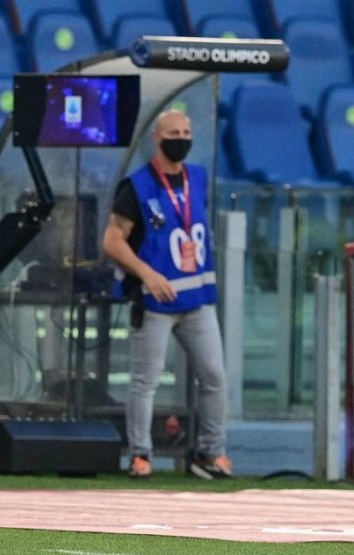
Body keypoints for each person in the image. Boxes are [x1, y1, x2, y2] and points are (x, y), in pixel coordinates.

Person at [101, 109, 232, 480]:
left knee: (214, 376)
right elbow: (112, 240)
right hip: (155, 299)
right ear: (157, 137)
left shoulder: (199, 179)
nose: (182, 137)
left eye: (187, 131)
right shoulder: (138, 185)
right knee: (146, 380)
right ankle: (141, 454)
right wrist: (146, 273)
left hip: (196, 299)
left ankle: (212, 453)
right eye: (174, 131)